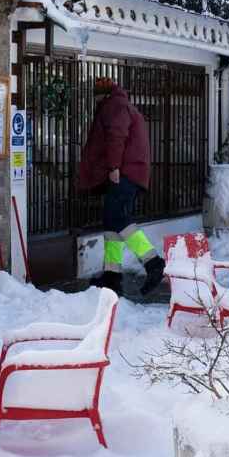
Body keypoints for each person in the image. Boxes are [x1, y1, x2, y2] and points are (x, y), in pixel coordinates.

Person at [77, 77, 165, 295]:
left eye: (96, 95)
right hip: (130, 171)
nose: (94, 99)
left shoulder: (113, 106)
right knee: (111, 222)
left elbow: (116, 137)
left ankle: (153, 263)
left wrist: (114, 167)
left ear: (102, 94)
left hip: (124, 172)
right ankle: (111, 276)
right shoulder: (121, 104)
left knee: (118, 219)